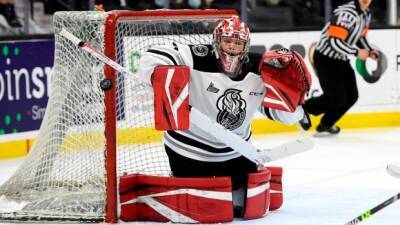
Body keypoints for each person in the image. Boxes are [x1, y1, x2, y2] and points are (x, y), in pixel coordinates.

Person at [137, 16, 310, 217]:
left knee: (245, 208)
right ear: (216, 41)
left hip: (235, 151)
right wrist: (163, 78)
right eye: (227, 41)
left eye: (238, 43)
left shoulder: (259, 69)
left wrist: (295, 106)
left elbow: (276, 111)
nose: (232, 47)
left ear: (246, 46)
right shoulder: (198, 56)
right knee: (202, 208)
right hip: (189, 150)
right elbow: (152, 57)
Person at [300, 0, 379, 135]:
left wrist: (369, 50)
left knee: (352, 97)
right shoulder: (345, 13)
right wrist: (356, 52)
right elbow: (334, 41)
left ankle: (326, 124)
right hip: (326, 59)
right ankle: (303, 109)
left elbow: (360, 37)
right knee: (336, 97)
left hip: (341, 59)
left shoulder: (366, 14)